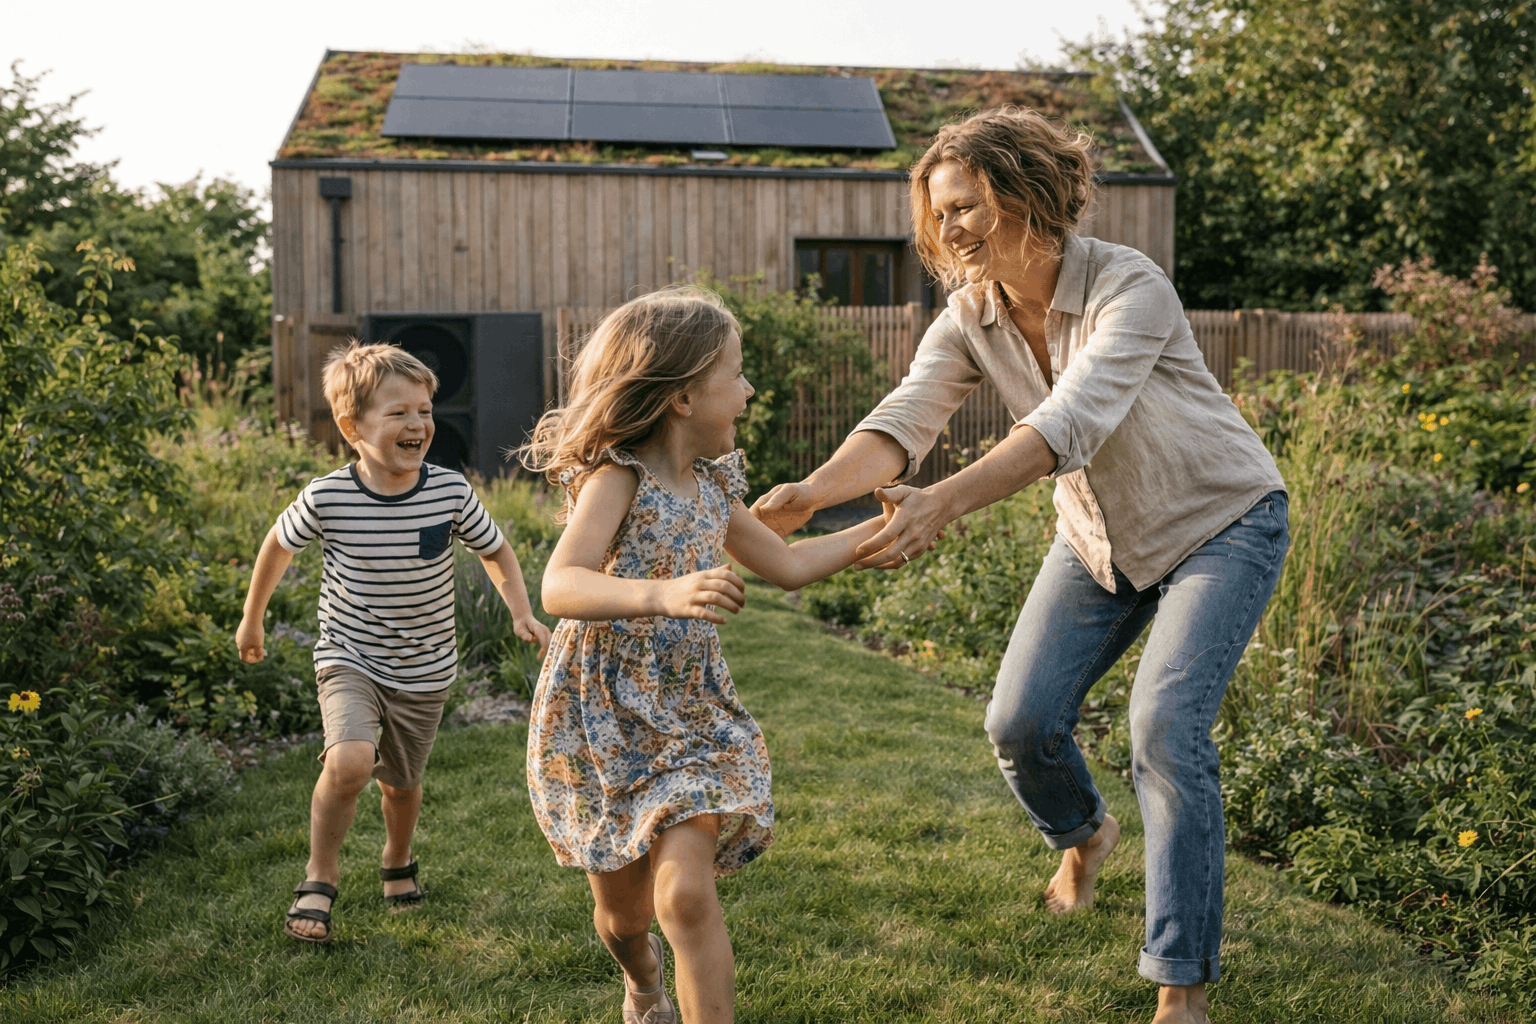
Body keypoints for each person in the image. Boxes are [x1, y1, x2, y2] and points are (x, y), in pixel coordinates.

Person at [752, 108, 1289, 1024]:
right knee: (1018, 721)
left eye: (965, 206)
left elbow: (1066, 426)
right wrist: (815, 489)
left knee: (1163, 725)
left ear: (1026, 192)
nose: (949, 230)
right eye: (940, 214)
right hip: (1098, 537)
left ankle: (1181, 984)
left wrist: (942, 503)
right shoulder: (971, 316)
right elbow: (905, 419)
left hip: (1219, 521)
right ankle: (1086, 837)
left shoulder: (1130, 285)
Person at [520, 288, 892, 1024]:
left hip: (690, 713)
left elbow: (783, 564)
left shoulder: (716, 485)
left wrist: (882, 532)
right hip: (601, 718)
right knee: (624, 918)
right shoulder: (618, 476)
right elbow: (561, 584)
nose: (751, 390)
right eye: (738, 373)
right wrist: (661, 593)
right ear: (685, 396)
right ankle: (641, 980)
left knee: (686, 895)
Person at [236, 341, 551, 945]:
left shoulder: (447, 491)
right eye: (399, 413)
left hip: (426, 667)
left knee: (401, 784)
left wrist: (520, 611)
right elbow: (277, 544)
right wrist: (254, 618)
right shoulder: (329, 496)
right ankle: (319, 874)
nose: (418, 424)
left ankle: (396, 857)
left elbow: (496, 550)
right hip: (348, 655)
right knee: (352, 760)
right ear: (352, 427)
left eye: (425, 411)